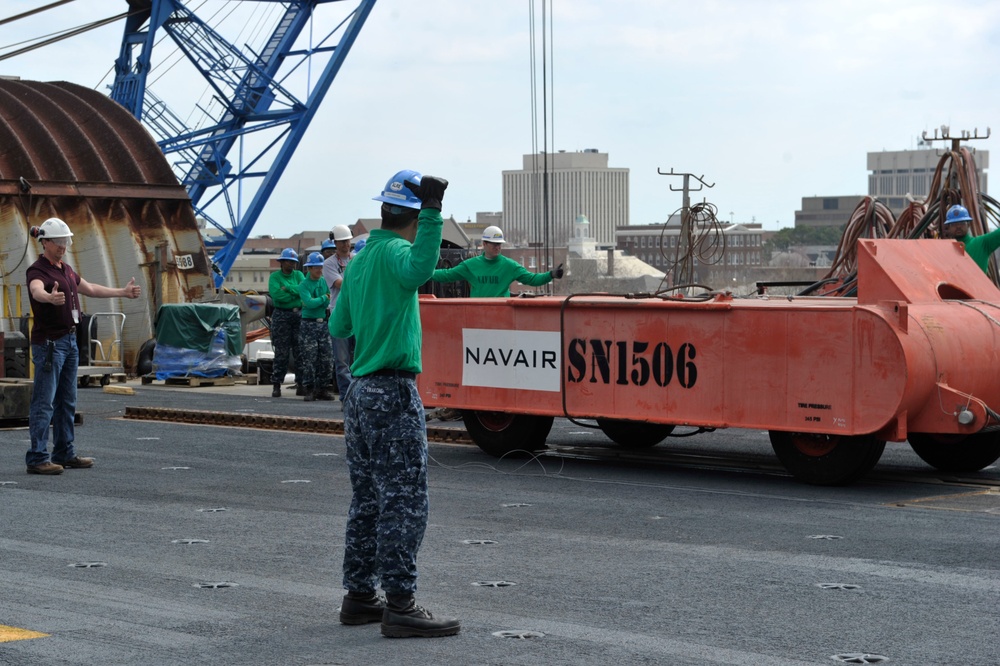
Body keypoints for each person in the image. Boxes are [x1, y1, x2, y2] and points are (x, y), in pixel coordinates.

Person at [330, 169, 460, 638]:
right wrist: (434, 213)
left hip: (360, 392)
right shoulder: (400, 252)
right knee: (404, 498)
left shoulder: (359, 260)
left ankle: (360, 596)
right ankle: (401, 604)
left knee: (367, 498)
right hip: (392, 389)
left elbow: (339, 327)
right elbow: (421, 269)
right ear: (413, 214)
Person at [25, 217, 141, 475]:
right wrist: (49, 297)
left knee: (67, 400)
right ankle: (37, 457)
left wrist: (121, 292)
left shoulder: (66, 269)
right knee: (44, 402)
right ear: (45, 242)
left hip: (69, 341)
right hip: (50, 345)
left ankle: (64, 452)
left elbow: (89, 289)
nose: (63, 246)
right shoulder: (38, 271)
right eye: (58, 242)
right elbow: (36, 291)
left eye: (65, 242)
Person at [429, 225, 564, 297]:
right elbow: (447, 275)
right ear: (484, 243)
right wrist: (424, 273)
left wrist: (551, 275)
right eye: (494, 243)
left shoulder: (509, 266)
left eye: (499, 244)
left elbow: (531, 279)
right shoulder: (470, 266)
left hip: (500, 316)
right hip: (477, 316)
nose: (497, 247)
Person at [323, 226, 355, 404]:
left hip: (357, 313)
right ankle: (346, 398)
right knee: (342, 361)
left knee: (359, 358)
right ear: (335, 243)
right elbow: (340, 284)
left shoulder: (357, 259)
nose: (346, 244)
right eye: (342, 241)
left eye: (348, 241)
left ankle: (358, 397)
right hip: (339, 314)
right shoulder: (329, 264)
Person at [297, 252, 334, 402]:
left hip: (323, 323)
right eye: (317, 267)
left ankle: (323, 388)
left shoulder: (324, 281)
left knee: (327, 357)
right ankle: (310, 388)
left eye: (321, 267)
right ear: (309, 268)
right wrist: (323, 298)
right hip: (308, 325)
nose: (320, 270)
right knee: (310, 358)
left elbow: (327, 302)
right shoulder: (303, 285)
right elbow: (309, 303)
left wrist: (321, 300)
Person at [268, 248, 304, 398]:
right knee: (281, 352)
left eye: (294, 262)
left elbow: (304, 290)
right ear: (282, 262)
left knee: (300, 351)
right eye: (289, 261)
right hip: (281, 315)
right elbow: (277, 295)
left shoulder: (299, 275)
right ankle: (276, 385)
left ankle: (301, 383)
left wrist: (288, 289)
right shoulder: (275, 277)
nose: (292, 264)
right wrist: (295, 296)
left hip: (299, 315)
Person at [940, 204, 1000, 275]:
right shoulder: (943, 251)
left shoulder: (982, 243)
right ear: (948, 228)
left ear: (968, 225)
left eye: (962, 223)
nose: (958, 226)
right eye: (954, 224)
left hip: (978, 286)